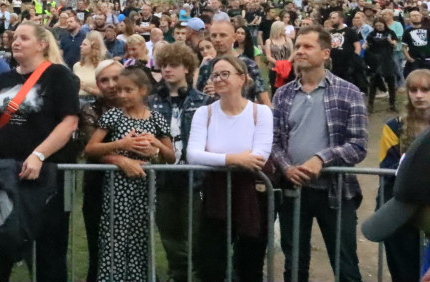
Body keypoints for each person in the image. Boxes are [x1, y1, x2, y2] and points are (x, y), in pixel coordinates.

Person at [0, 22, 80, 282]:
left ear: (42, 44)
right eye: (14, 37)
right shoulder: (5, 79)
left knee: (47, 251)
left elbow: (69, 122)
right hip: (3, 173)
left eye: (24, 38)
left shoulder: (59, 76)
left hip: (44, 177)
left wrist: (39, 155)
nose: (15, 42)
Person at [270, 25, 367, 282]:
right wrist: (286, 168)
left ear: (325, 53)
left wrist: (321, 159)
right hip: (294, 191)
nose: (299, 51)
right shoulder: (282, 95)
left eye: (307, 46)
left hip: (336, 192)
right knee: (294, 264)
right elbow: (274, 142)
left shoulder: (349, 93)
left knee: (345, 262)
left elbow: (358, 145)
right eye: (298, 46)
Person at [187, 54, 274, 282]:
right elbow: (193, 155)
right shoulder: (203, 113)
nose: (218, 79)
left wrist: (215, 157)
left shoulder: (261, 112)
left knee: (250, 264)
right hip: (215, 195)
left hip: (252, 196)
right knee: (211, 264)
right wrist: (235, 159)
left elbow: (259, 156)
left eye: (225, 74)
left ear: (242, 78)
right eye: (215, 75)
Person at [86, 66, 174, 282]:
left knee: (140, 238)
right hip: (117, 190)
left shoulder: (157, 119)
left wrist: (156, 146)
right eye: (120, 90)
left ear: (143, 90)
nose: (123, 95)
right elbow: (90, 148)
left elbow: (171, 156)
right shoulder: (113, 116)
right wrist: (122, 144)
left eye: (128, 90)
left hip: (145, 190)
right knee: (114, 238)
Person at [149, 42, 209, 282]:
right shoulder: (151, 102)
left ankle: (194, 272)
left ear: (187, 68)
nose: (167, 70)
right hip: (163, 177)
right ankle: (179, 273)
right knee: (168, 232)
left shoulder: (204, 101)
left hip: (194, 178)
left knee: (195, 233)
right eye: (163, 66)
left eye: (173, 65)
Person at [377, 69, 430, 282]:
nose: (418, 95)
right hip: (399, 209)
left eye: (425, 89)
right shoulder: (393, 127)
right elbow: (387, 167)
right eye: (413, 90)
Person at [79, 59, 124, 282]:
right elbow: (91, 147)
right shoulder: (90, 109)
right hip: (98, 185)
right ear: (98, 84)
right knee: (98, 248)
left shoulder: (139, 107)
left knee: (131, 246)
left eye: (116, 78)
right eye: (104, 80)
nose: (111, 84)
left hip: (132, 186)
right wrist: (121, 158)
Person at [367, 16, 400, 112]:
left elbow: (395, 44)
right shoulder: (372, 34)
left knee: (391, 81)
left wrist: (391, 42)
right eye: (377, 25)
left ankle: (392, 104)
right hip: (375, 60)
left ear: (384, 24)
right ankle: (370, 104)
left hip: (387, 59)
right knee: (373, 82)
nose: (379, 27)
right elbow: (368, 44)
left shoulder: (390, 33)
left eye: (380, 25)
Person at [74, 30, 105, 100]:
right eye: (82, 44)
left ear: (93, 48)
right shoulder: (76, 66)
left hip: (93, 101)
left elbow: (104, 93)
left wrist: (86, 88)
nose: (81, 46)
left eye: (84, 45)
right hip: (77, 100)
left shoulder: (101, 67)